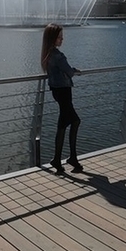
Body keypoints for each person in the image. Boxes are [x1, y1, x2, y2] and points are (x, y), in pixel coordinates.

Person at [40, 23, 83, 173]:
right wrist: (74, 70)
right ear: (52, 38)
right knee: (75, 121)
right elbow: (69, 72)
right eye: (59, 37)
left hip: (58, 91)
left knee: (63, 124)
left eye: (62, 37)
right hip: (64, 92)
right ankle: (72, 158)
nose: (62, 39)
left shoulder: (48, 54)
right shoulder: (57, 56)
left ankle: (57, 160)